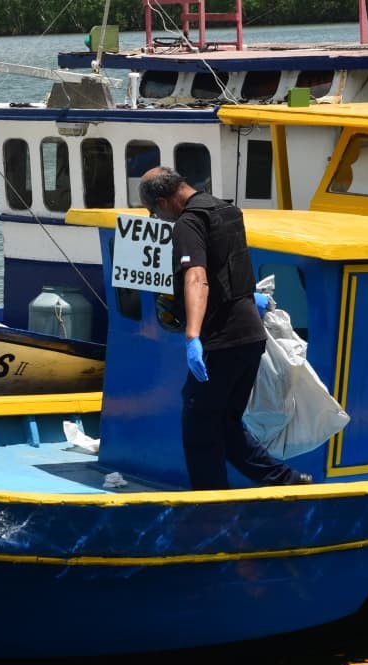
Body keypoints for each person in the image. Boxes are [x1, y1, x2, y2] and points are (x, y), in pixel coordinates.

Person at [138, 166, 312, 489]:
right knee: (225, 424)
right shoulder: (227, 210)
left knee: (198, 425)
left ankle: (210, 507)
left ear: (163, 201)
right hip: (251, 336)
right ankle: (288, 481)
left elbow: (197, 277)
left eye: (153, 211)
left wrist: (192, 336)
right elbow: (230, 269)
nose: (156, 218)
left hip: (223, 339)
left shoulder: (188, 223)